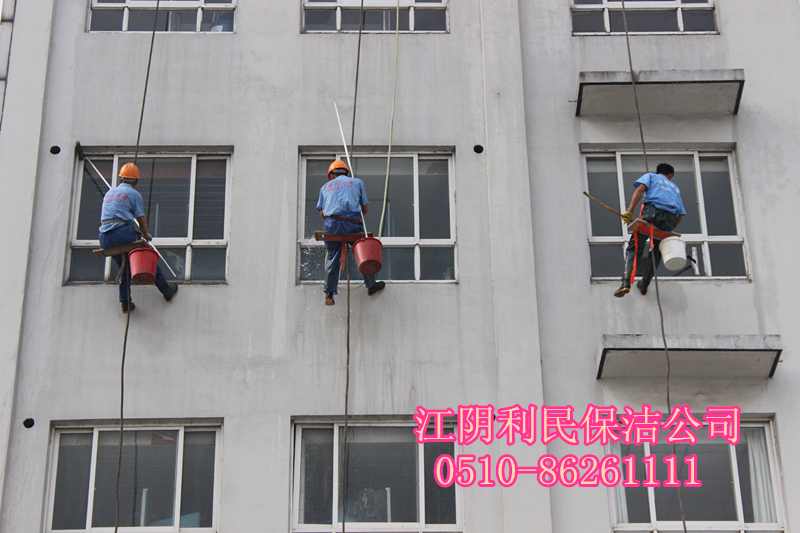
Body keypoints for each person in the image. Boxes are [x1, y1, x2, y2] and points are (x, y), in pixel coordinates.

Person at [98, 162, 178, 313]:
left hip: (104, 237)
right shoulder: (134, 194)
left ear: (121, 179)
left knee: (125, 267)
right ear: (136, 182)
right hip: (121, 233)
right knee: (144, 255)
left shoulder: (109, 193)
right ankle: (166, 290)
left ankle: (125, 302)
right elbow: (142, 221)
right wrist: (145, 235)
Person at [317, 160, 385, 306]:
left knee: (333, 257)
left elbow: (322, 213)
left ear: (331, 175)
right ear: (346, 173)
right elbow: (364, 209)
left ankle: (329, 294)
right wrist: (351, 221)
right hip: (352, 224)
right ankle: (371, 286)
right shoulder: (357, 182)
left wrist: (335, 223)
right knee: (363, 253)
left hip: (332, 225)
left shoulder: (325, 187)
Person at [614, 163, 686, 298]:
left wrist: (630, 211)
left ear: (658, 172)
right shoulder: (675, 188)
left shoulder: (651, 177)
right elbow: (679, 218)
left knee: (633, 250)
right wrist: (666, 232)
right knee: (656, 253)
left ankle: (625, 283)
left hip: (651, 215)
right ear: (670, 175)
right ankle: (644, 285)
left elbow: (640, 190)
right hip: (668, 222)